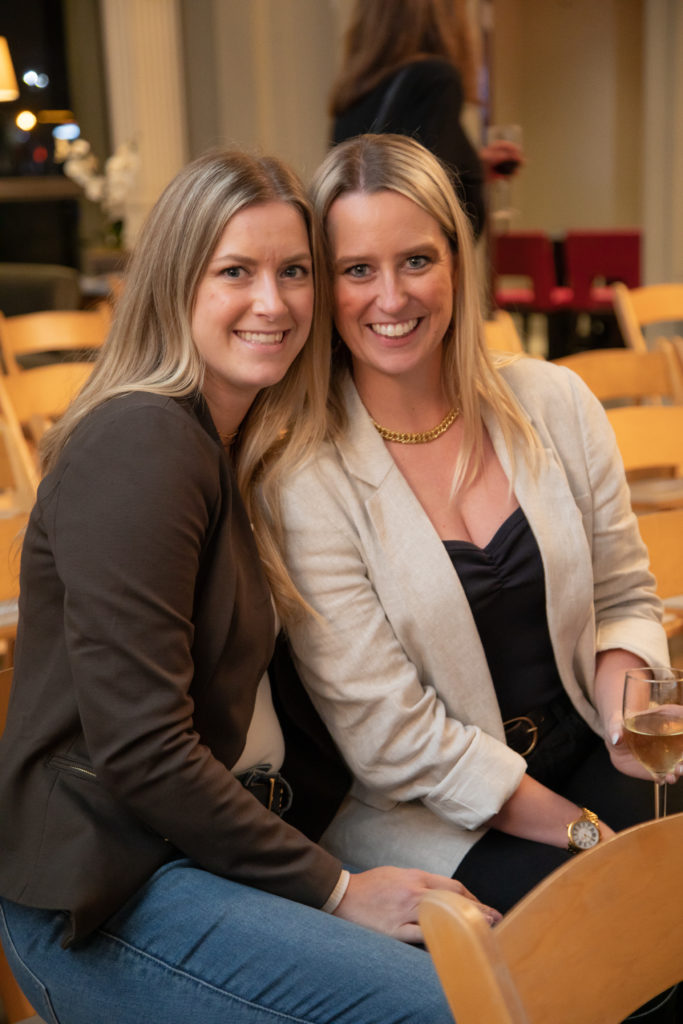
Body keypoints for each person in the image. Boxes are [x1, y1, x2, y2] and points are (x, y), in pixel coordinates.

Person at [0, 148, 499, 1024]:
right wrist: (338, 888)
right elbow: (144, 750)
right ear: (174, 284)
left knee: (500, 962)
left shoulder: (232, 440)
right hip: (107, 892)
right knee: (446, 1010)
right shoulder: (142, 444)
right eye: (236, 271)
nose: (273, 303)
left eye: (295, 271)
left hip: (204, 850)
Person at [277, 133, 683, 920]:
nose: (390, 298)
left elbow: (623, 595)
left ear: (459, 263)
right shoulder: (304, 478)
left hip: (588, 746)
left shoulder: (553, 401)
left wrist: (625, 722)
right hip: (440, 815)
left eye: (416, 260)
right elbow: (392, 738)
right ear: (324, 290)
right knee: (625, 921)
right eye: (357, 270)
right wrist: (586, 832)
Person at [330, 0, 523, 239]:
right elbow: (429, 201)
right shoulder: (436, 80)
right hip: (411, 265)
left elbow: (382, 171)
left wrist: (473, 167)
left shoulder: (353, 93)